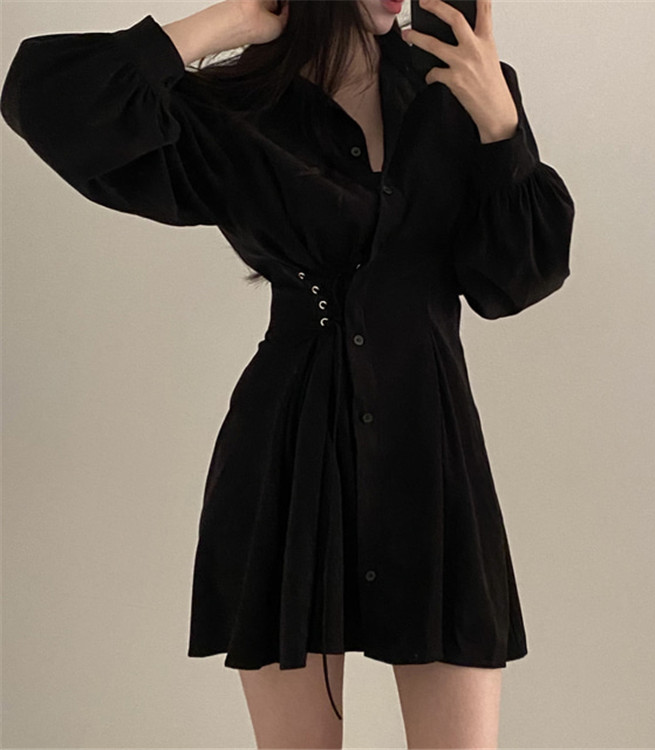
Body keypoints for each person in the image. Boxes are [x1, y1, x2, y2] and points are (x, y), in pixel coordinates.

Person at [0, 0, 575, 745]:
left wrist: (500, 126)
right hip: (288, 460)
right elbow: (46, 95)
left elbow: (516, 279)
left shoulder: (463, 88)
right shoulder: (242, 107)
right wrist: (237, 18)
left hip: (430, 453)